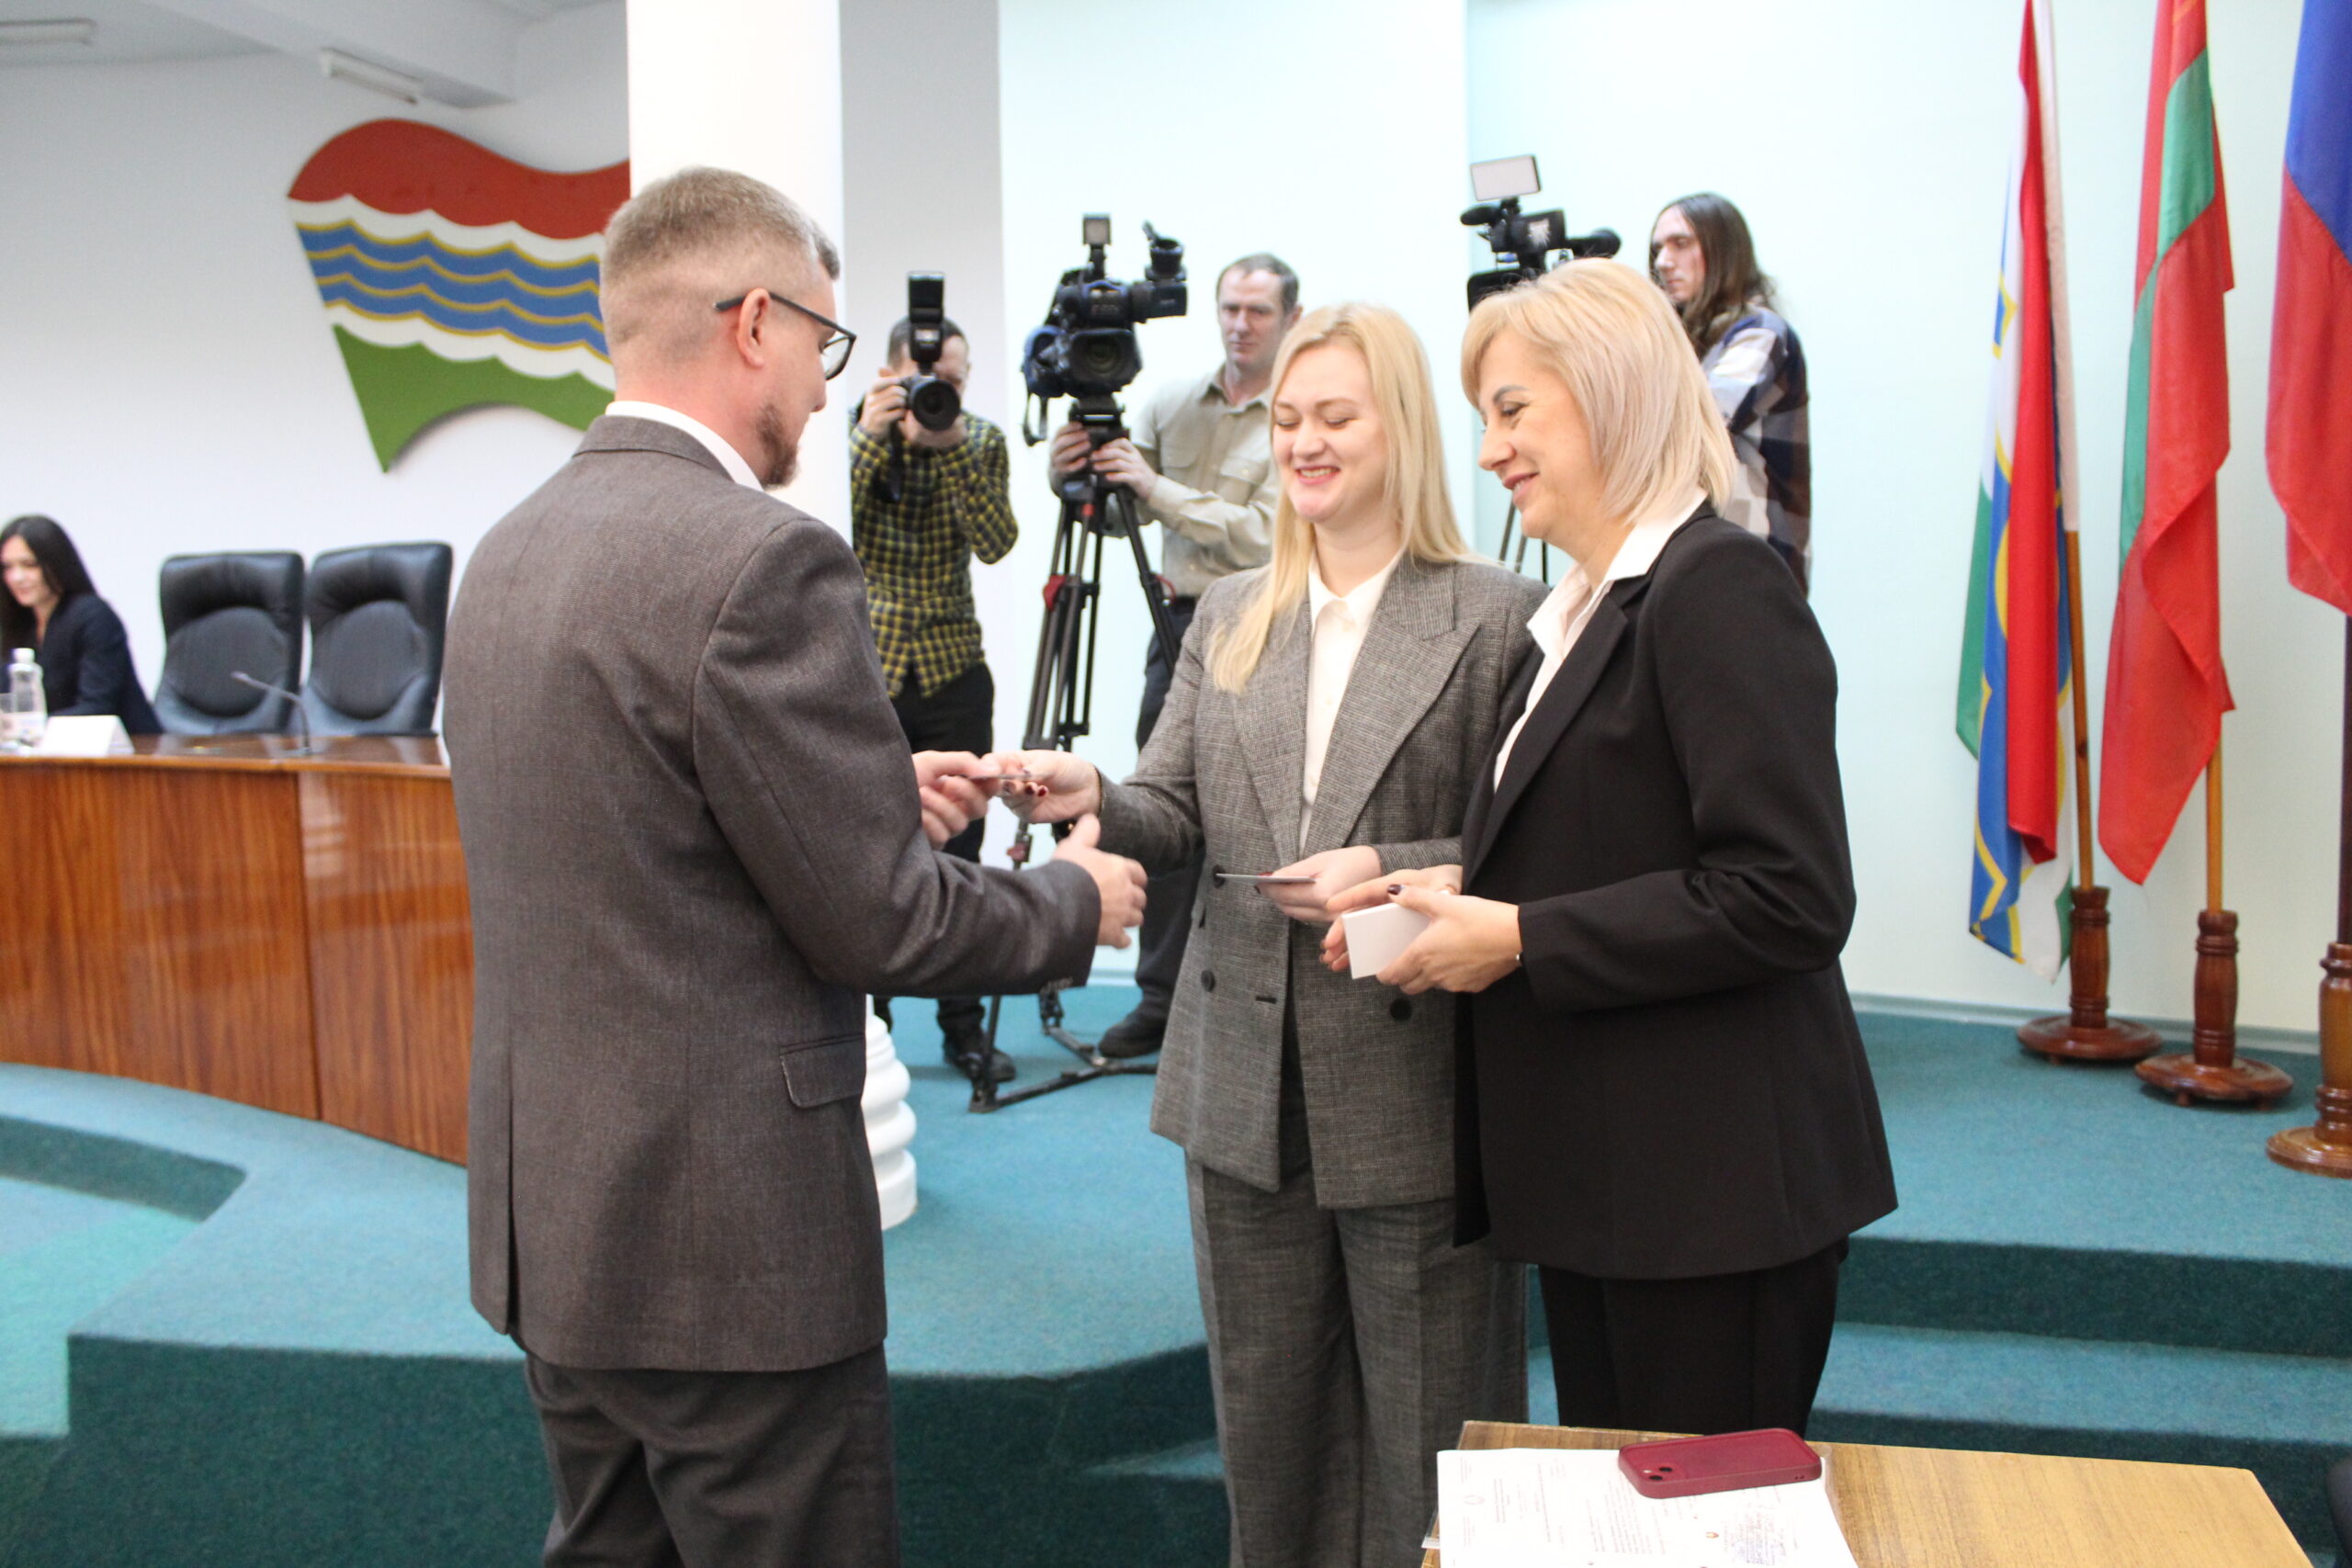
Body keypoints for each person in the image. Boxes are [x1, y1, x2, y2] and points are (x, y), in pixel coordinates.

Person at [440, 166, 1147, 1568]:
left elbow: (641, 828)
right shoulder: (765, 559)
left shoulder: (505, 554)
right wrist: (1076, 901)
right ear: (754, 322)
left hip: (556, 1226)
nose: (829, 390)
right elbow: (883, 924)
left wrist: (863, 795)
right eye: (824, 342)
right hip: (727, 1250)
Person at [1005, 303, 1540, 1568]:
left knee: (1433, 1454)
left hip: (1417, 1085)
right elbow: (1172, 807)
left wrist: (1386, 873)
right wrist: (1091, 792)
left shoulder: (1499, 615)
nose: (1303, 442)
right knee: (1269, 1441)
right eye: (1289, 418)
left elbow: (1527, 851)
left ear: (1400, 428)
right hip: (1240, 1089)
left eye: (1334, 416)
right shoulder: (1233, 607)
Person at [1327, 261, 1894, 1439]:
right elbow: (1619, 837)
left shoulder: (1717, 585)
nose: (1491, 451)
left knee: (1702, 1522)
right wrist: (1461, 889)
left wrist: (1521, 936)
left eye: (1512, 410)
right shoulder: (1578, 612)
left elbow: (1787, 895)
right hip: (1611, 1180)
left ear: (1611, 394)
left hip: (1713, 1196)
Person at [1046, 252, 1301, 1059]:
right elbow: (1118, 515)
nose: (1240, 324)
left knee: (1263, 810)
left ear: (1290, 319)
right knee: (1159, 805)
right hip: (1181, 626)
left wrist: (1154, 488)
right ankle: (1160, 995)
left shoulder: (1297, 413)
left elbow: (1265, 534)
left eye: (1258, 310)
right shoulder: (1169, 403)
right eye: (1229, 307)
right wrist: (1074, 477)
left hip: (1272, 623)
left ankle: (1258, 995)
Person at [850, 313, 1021, 1084]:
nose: (941, 392)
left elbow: (997, 541)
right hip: (870, 669)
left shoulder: (979, 439)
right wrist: (868, 437)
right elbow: (822, 528)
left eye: (954, 380)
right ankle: (872, 1026)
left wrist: (949, 449)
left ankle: (964, 1026)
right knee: (866, 852)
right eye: (928, 380)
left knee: (961, 852)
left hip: (953, 669)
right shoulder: (853, 434)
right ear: (891, 376)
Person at [1649, 193, 1812, 592]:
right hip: (1704, 563)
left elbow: (1697, 423)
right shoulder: (1689, 346)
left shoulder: (1762, 332)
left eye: (1681, 243)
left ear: (1723, 251)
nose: (1663, 262)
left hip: (1754, 567)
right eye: (1657, 249)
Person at [0, 514, 161, 735]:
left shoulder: (93, 617)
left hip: (124, 748)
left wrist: (28, 727)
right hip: (47, 748)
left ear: (56, 563)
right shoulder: (17, 624)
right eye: (7, 567)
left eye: (30, 565)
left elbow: (97, 708)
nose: (16, 577)